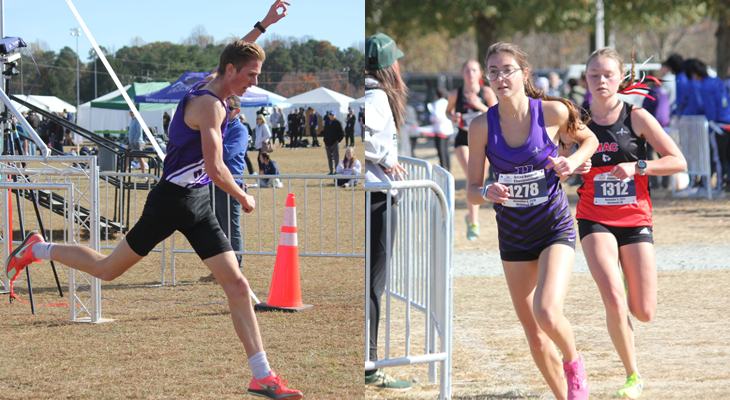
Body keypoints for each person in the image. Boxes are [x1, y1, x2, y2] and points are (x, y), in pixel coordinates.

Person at [5, 2, 302, 398]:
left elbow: (237, 52)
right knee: (107, 270)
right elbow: (216, 170)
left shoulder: (218, 79)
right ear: (230, 72)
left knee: (236, 284)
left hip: (196, 203)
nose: (253, 82)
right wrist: (243, 195)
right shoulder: (208, 105)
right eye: (250, 75)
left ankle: (261, 374)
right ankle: (38, 249)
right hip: (170, 202)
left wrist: (264, 25)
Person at [468, 42, 599, 400]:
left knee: (546, 310)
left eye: (507, 69)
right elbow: (470, 190)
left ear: (524, 74)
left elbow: (590, 140)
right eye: (492, 71)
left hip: (553, 228)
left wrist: (572, 163)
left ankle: (574, 364)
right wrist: (486, 193)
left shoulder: (553, 113)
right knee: (534, 331)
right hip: (513, 236)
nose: (499, 77)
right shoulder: (481, 127)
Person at [575, 47, 686, 400]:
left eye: (607, 74)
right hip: (594, 217)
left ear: (621, 77)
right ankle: (632, 375)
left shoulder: (636, 117)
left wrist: (639, 166)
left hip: (635, 217)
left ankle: (629, 278)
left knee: (644, 311)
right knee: (613, 296)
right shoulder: (575, 119)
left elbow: (677, 161)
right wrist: (571, 164)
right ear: (586, 79)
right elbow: (559, 156)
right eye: (594, 75)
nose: (601, 81)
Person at [364, 32, 413, 391]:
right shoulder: (377, 94)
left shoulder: (371, 93)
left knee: (370, 284)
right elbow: (367, 135)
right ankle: (368, 364)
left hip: (374, 193)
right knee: (373, 285)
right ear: (387, 66)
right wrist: (385, 158)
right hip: (377, 197)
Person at [199, 94, 250, 283]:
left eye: (227, 109)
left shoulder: (240, 130)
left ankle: (236, 267)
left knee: (231, 227)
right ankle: (220, 269)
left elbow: (228, 152)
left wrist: (209, 144)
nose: (223, 111)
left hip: (230, 185)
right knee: (217, 229)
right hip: (212, 183)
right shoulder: (219, 127)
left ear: (237, 111)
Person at [446, 59, 498, 241]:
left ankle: (471, 217)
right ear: (462, 74)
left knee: (478, 181)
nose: (470, 73)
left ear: (480, 73)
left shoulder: (487, 92)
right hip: (463, 139)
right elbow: (448, 112)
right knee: (471, 172)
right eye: (467, 70)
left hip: (484, 141)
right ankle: (474, 222)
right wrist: (453, 117)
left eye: (474, 70)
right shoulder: (455, 94)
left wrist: (479, 105)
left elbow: (497, 114)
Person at [686, 58, 730, 191]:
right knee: (726, 155)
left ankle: (719, 185)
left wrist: (710, 123)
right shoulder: (717, 81)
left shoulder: (705, 86)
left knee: (718, 156)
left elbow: (710, 107)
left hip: (718, 124)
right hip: (726, 120)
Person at [429, 88, 453, 170]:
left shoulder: (437, 103)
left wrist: (432, 120)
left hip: (440, 130)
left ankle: (443, 168)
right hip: (448, 130)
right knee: (446, 151)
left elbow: (436, 117)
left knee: (441, 152)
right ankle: (448, 168)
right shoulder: (447, 102)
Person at [322, 110, 344, 175]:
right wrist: (325, 139)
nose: (331, 116)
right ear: (329, 115)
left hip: (335, 143)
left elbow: (342, 133)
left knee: (336, 157)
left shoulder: (338, 123)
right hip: (327, 143)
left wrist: (338, 140)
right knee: (329, 158)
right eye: (330, 115)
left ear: (335, 115)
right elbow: (325, 131)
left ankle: (337, 171)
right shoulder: (326, 122)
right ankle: (331, 171)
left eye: (333, 115)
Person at [127, 110, 147, 175]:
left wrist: (135, 141)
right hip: (131, 142)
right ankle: (123, 172)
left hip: (136, 142)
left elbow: (139, 132)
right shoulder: (132, 120)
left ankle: (144, 174)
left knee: (140, 157)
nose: (131, 113)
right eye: (130, 112)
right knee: (127, 156)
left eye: (132, 112)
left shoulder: (138, 120)